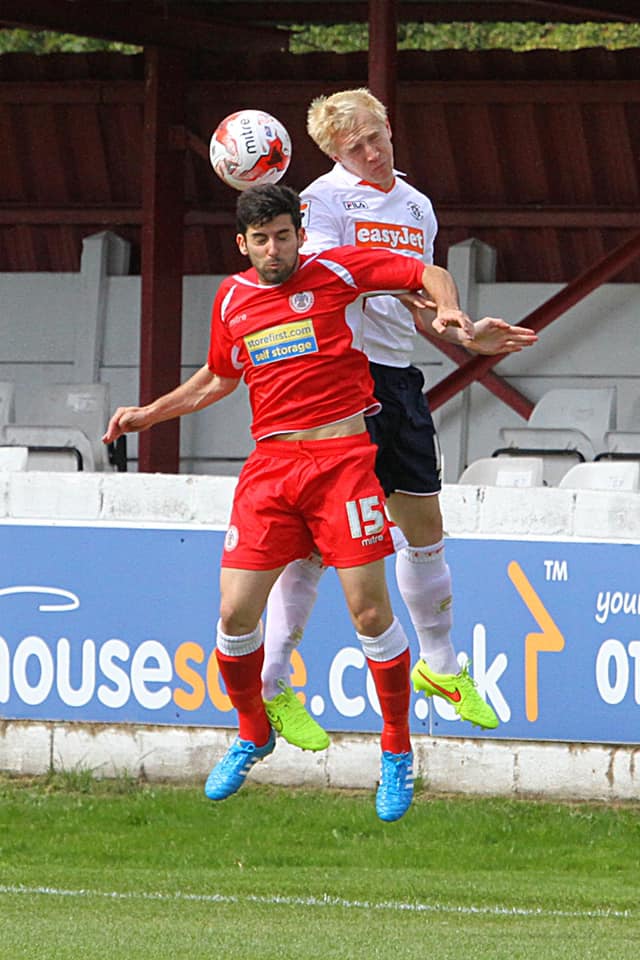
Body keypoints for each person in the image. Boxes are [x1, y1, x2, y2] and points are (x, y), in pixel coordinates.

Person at [103, 182, 481, 822]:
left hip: (343, 464)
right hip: (272, 469)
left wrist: (447, 310)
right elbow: (219, 377)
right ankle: (253, 730)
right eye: (262, 239)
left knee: (369, 613)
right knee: (234, 613)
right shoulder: (232, 298)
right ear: (242, 243)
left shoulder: (335, 271)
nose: (274, 249)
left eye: (283, 236)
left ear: (300, 235)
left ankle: (396, 750)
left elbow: (426, 271)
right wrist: (150, 414)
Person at [261, 89, 537, 748]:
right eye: (353, 147)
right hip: (339, 378)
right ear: (335, 154)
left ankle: (440, 666)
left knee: (424, 527)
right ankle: (271, 682)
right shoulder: (323, 202)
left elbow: (414, 299)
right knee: (314, 542)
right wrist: (419, 288)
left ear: (388, 128)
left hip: (397, 378)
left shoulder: (417, 206)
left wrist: (460, 329)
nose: (371, 152)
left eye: (375, 137)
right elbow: (334, 279)